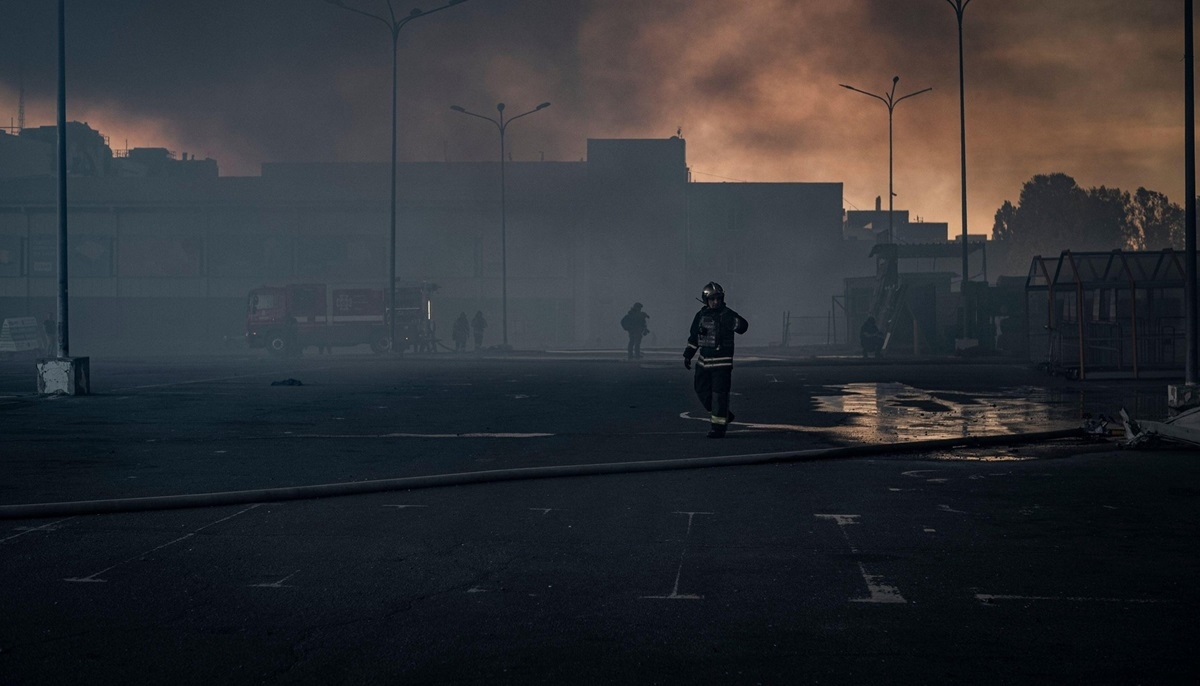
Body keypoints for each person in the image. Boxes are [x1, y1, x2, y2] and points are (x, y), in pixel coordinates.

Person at [683, 282, 749, 438]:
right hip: (703, 363)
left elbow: (743, 327)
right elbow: (695, 338)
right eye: (712, 299)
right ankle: (724, 414)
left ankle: (718, 429)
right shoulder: (700, 316)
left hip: (722, 364)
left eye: (718, 299)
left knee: (719, 395)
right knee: (701, 390)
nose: (716, 302)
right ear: (706, 300)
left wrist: (733, 322)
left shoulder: (727, 314)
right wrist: (688, 355)